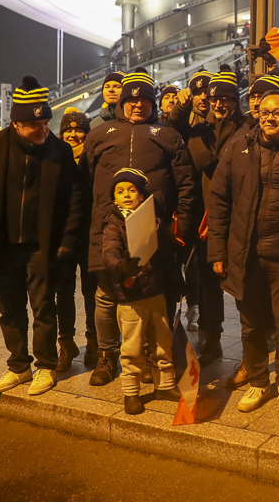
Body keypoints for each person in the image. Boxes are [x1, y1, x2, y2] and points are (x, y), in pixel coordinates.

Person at [0, 75, 87, 396]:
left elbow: (75, 200)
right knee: (10, 309)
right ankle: (18, 366)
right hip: (3, 244)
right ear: (16, 123)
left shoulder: (59, 151)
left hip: (41, 246)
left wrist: (68, 243)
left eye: (46, 122)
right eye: (35, 125)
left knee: (44, 307)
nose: (43, 129)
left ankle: (45, 366)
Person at [208, 92, 279, 412]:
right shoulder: (239, 147)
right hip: (247, 253)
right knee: (251, 323)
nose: (269, 117)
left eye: (277, 112)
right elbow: (218, 200)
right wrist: (218, 250)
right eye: (264, 112)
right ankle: (258, 381)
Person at [83, 67, 194, 386]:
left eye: (145, 100)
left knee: (156, 298)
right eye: (132, 100)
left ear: (153, 102)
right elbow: (83, 182)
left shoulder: (168, 136)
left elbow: (186, 185)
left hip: (154, 234)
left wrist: (179, 228)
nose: (138, 105)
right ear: (121, 102)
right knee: (105, 298)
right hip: (109, 233)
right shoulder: (100, 135)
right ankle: (108, 356)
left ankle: (151, 355)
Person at [181, 64, 250, 367]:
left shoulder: (247, 129)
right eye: (216, 99)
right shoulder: (198, 131)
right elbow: (177, 130)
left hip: (237, 217)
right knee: (209, 282)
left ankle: (253, 342)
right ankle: (213, 337)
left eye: (228, 99)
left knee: (242, 282)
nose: (221, 104)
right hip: (205, 218)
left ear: (236, 102)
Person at [102, 168, 181, 415]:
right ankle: (131, 392)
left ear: (141, 194)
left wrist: (175, 280)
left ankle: (165, 385)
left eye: (132, 190)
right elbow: (109, 252)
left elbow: (166, 255)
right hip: (131, 297)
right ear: (114, 198)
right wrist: (122, 266)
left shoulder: (153, 219)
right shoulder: (113, 224)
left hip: (156, 292)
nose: (126, 195)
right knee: (132, 348)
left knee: (162, 341)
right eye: (120, 191)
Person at [55, 107, 98, 370]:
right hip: (63, 236)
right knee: (64, 292)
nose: (73, 134)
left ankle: (93, 341)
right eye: (68, 130)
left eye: (78, 129)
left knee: (91, 291)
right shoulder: (54, 158)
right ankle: (66, 344)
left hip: (90, 233)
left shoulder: (93, 158)